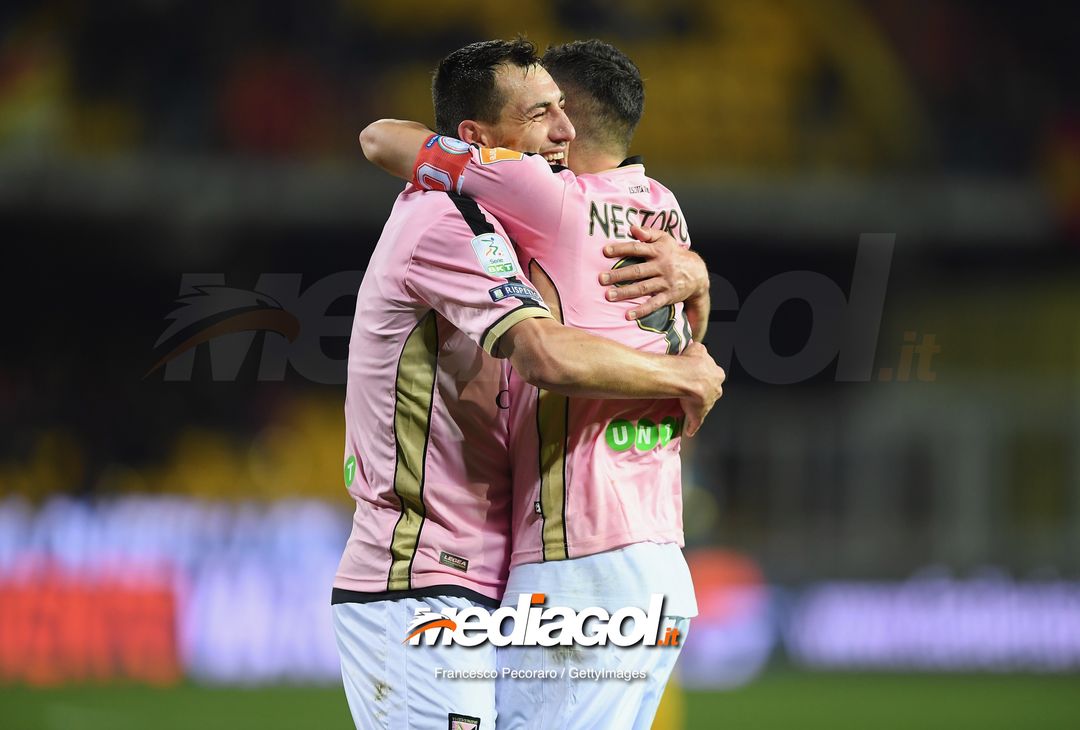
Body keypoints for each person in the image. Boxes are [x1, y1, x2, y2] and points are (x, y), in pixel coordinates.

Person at [335, 39, 724, 730]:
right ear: (480, 137)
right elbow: (545, 352)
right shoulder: (661, 207)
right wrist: (690, 338)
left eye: (561, 109)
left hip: (574, 558)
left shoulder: (540, 198)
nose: (560, 129)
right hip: (486, 566)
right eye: (541, 112)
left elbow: (380, 136)